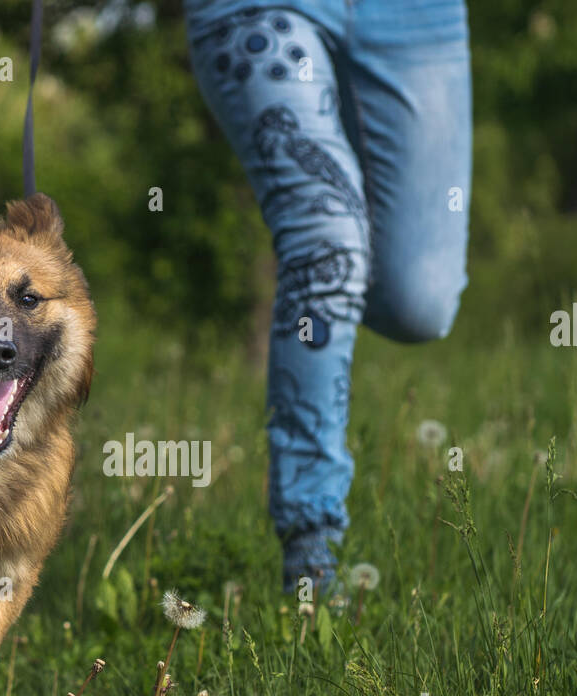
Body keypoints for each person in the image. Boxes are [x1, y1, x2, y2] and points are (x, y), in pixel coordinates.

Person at [184, 0, 472, 593]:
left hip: (415, 15)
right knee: (328, 243)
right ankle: (311, 556)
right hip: (260, 11)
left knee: (419, 302)